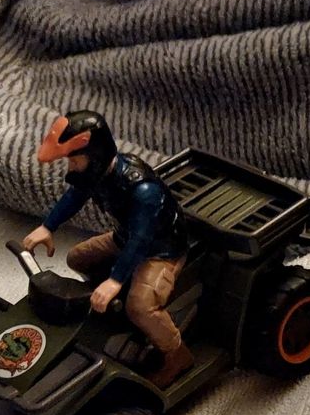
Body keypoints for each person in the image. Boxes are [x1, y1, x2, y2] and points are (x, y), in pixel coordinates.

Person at [23, 110, 192, 386]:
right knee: (77, 258)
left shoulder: (143, 191)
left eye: (74, 160)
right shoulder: (99, 175)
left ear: (95, 156)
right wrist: (47, 227)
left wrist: (115, 280)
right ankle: (110, 305)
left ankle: (176, 353)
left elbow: (141, 240)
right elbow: (74, 196)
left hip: (160, 251)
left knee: (140, 307)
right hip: (124, 238)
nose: (71, 168)